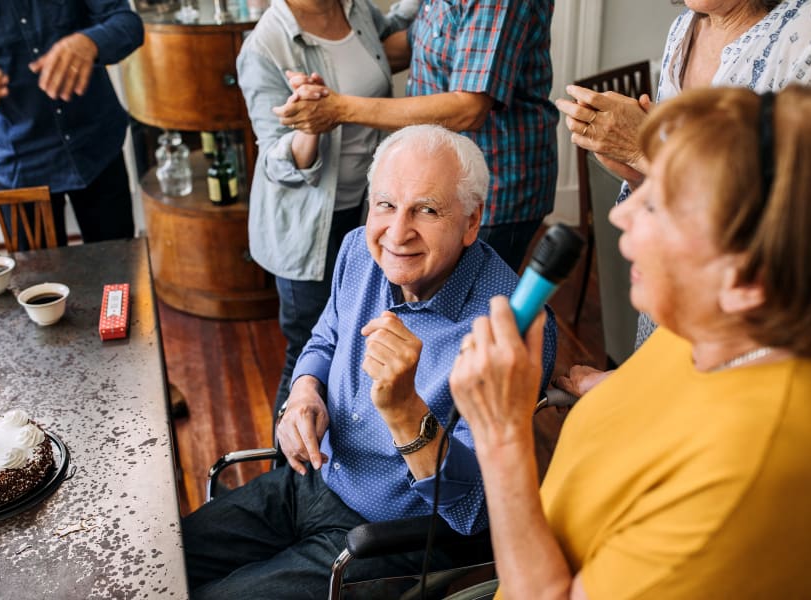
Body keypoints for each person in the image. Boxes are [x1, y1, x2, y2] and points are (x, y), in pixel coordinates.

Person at [448, 86, 811, 598]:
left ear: (747, 279)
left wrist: (500, 436)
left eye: (657, 207)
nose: (620, 215)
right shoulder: (728, 323)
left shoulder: (747, 482)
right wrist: (606, 385)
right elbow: (683, 396)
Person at [182, 125, 558, 599]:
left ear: (471, 222)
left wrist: (405, 410)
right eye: (386, 205)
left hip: (386, 535)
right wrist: (304, 391)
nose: (397, 233)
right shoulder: (359, 249)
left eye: (426, 209)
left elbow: (471, 511)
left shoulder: (508, 332)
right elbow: (324, 338)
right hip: (311, 481)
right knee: (165, 559)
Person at [555, 0, 811, 396]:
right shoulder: (685, 28)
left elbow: (787, 225)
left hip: (752, 346)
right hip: (669, 321)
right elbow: (671, 190)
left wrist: (646, 150)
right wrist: (636, 172)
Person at [272, 0, 557, 272]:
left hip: (492, 187)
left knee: (466, 314)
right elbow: (415, 45)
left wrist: (339, 108)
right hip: (442, 180)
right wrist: (319, 83)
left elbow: (468, 108)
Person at [237, 0, 417, 421]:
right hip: (307, 228)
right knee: (308, 355)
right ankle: (288, 467)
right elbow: (276, 163)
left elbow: (396, 31)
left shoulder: (356, 11)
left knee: (361, 339)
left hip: (368, 210)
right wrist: (308, 126)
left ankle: (349, 459)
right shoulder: (265, 46)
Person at [0, 0, 143, 246]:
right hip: (19, 169)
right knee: (36, 281)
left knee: (117, 277)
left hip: (97, 147)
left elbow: (128, 23)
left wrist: (92, 41)